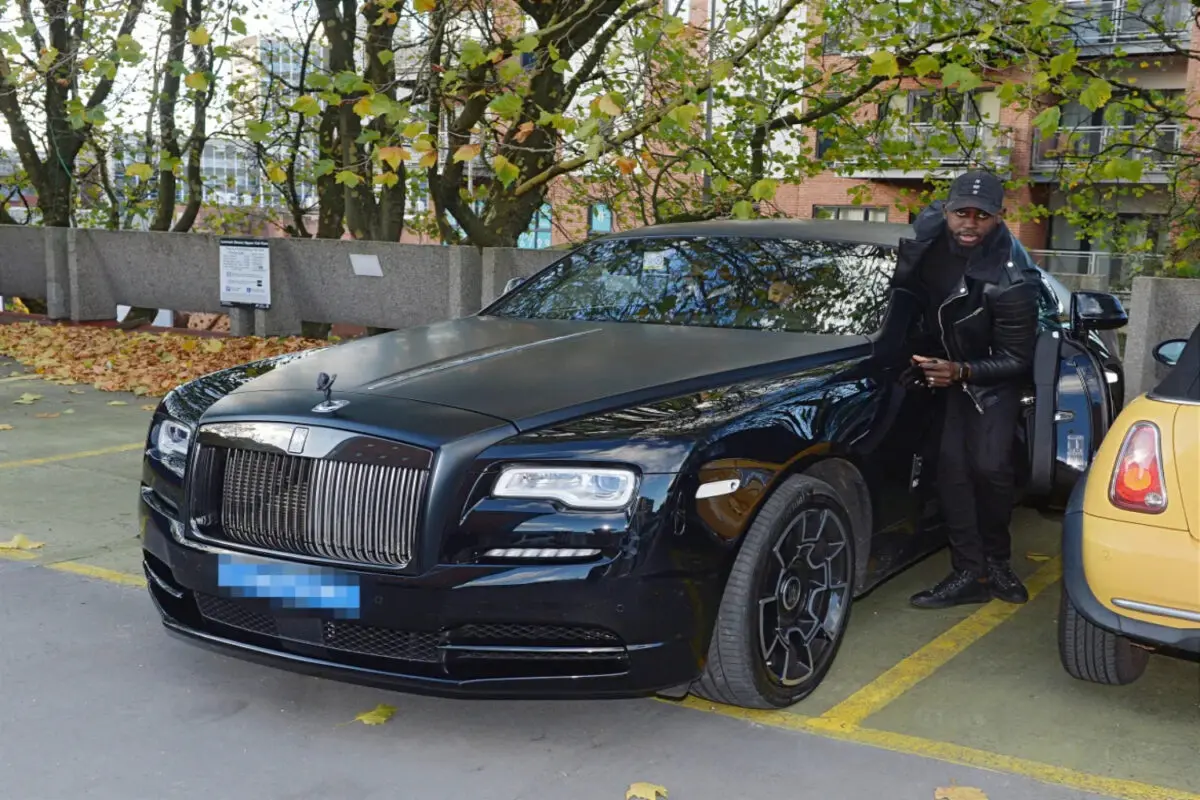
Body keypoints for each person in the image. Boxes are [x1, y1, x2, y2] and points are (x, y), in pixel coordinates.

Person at [892, 170, 1042, 609]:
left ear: (999, 218)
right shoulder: (923, 234)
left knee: (991, 470)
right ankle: (968, 572)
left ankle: (996, 563)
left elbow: (1018, 359)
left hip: (986, 376)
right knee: (952, 470)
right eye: (962, 213)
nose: (970, 224)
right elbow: (898, 285)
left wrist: (960, 372)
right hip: (938, 363)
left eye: (982, 216)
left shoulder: (1014, 279)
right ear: (946, 209)